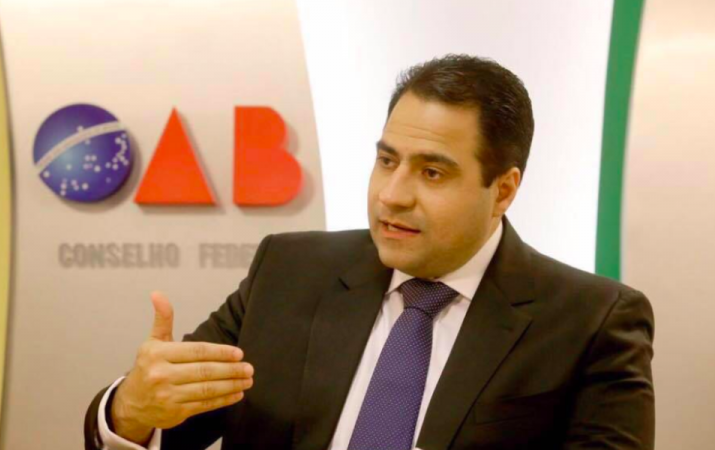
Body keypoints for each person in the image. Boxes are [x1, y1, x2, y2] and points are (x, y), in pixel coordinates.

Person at [85, 54, 654, 450]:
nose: (391, 195)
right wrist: (131, 410)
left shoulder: (591, 322)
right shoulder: (287, 273)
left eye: (432, 172)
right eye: (386, 161)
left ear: (502, 190)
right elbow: (164, 425)